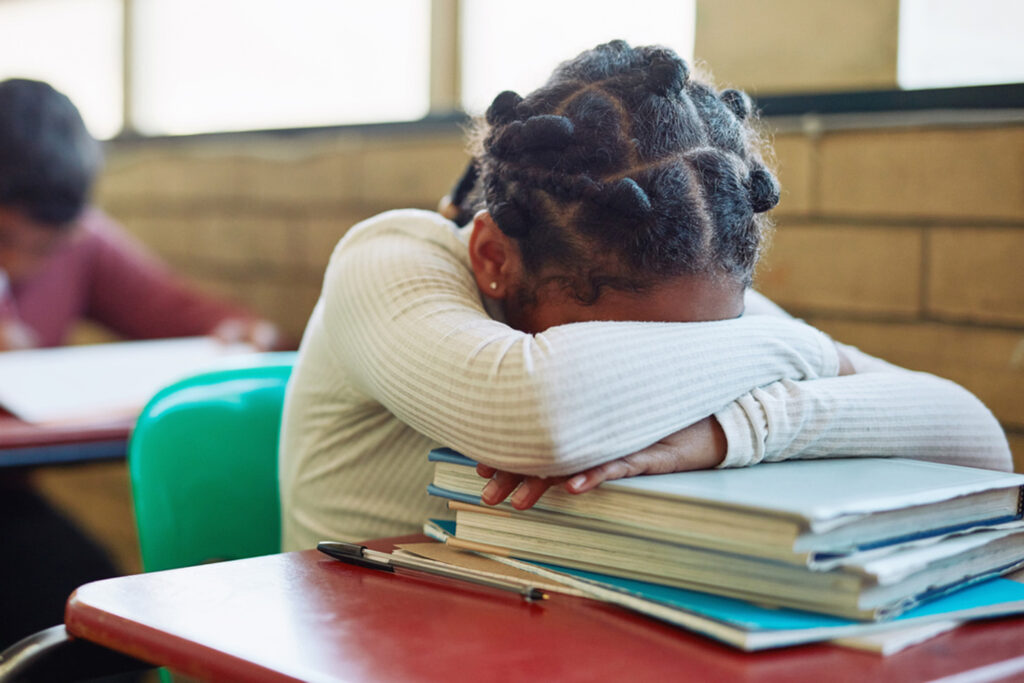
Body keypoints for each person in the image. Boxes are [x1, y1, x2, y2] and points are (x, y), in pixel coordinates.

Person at [279, 40, 1010, 549]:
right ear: (493, 256)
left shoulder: (680, 279)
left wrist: (737, 427)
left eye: (707, 346)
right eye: (623, 353)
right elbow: (543, 411)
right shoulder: (387, 258)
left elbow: (974, 440)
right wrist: (802, 350)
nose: (686, 364)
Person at [0, 78, 284, 352]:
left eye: (44, 248)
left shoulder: (85, 242)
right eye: (2, 238)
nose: (15, 264)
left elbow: (173, 310)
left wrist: (241, 330)